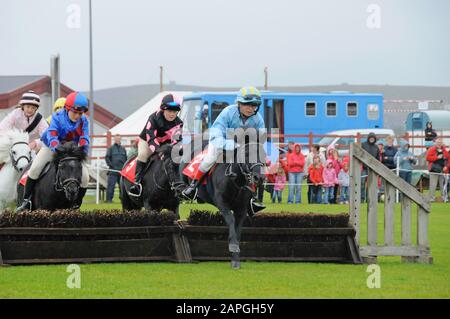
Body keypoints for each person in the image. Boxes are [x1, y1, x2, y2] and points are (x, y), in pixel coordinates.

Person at [182, 86, 267, 213]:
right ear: (239, 104)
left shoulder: (257, 118)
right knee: (210, 157)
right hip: (221, 143)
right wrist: (233, 145)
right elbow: (216, 136)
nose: (251, 109)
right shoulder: (227, 113)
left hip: (242, 147)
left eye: (254, 105)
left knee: (255, 165)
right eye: (248, 105)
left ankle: (253, 200)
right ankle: (193, 187)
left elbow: (261, 137)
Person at [16, 91, 90, 212]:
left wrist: (82, 150)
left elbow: (84, 138)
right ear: (67, 109)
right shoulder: (58, 116)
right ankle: (26, 201)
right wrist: (57, 147)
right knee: (35, 169)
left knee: (86, 178)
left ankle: (77, 203)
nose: (77, 116)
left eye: (80, 113)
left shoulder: (84, 121)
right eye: (75, 112)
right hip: (51, 146)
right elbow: (52, 135)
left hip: (71, 150)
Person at [129, 94, 183, 196]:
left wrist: (174, 152)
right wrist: (160, 151)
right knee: (143, 154)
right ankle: (136, 183)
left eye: (175, 111)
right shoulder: (153, 118)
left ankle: (179, 185)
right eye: (169, 111)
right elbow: (151, 138)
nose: (172, 114)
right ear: (163, 110)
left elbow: (176, 141)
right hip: (147, 141)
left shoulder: (179, 123)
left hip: (166, 143)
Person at [105, 134, 127, 203]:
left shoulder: (123, 149)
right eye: (116, 139)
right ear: (114, 139)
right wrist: (111, 166)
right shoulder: (111, 148)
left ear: (120, 139)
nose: (118, 140)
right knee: (111, 187)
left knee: (122, 187)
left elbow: (126, 159)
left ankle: (123, 200)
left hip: (121, 172)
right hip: (113, 171)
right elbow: (107, 158)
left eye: (119, 139)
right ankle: (109, 200)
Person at [361, 132, 380, 202]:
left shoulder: (376, 147)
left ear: (374, 139)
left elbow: (378, 159)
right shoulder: (363, 145)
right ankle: (362, 199)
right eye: (370, 138)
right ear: (368, 138)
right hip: (364, 168)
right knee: (362, 184)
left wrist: (377, 169)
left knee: (371, 185)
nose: (371, 139)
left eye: (373, 138)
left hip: (372, 169)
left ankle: (369, 198)